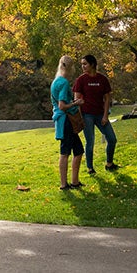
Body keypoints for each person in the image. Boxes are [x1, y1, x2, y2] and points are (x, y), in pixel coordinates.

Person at [73, 54, 120, 174]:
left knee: (112, 139)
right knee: (90, 142)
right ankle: (90, 168)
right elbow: (76, 100)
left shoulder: (102, 79)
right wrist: (80, 118)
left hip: (100, 114)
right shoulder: (81, 80)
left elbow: (107, 98)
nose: (83, 66)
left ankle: (109, 164)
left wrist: (105, 115)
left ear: (92, 64)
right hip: (86, 115)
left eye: (85, 64)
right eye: (82, 64)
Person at [51, 55, 85, 190]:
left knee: (78, 150)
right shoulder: (64, 83)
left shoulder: (55, 81)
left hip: (61, 120)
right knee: (65, 152)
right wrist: (77, 103)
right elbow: (62, 105)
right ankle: (64, 184)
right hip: (66, 121)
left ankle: (74, 182)